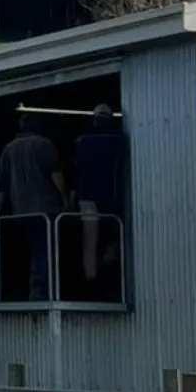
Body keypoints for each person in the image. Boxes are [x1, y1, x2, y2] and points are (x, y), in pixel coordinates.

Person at [0, 113, 66, 301]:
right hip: (46, 208)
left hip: (20, 210)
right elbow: (56, 176)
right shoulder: (44, 145)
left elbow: (1, 185)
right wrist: (65, 200)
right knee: (45, 251)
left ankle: (26, 290)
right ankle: (42, 293)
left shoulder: (8, 149)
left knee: (29, 251)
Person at [71, 104, 129, 300]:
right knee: (115, 237)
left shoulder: (82, 140)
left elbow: (75, 171)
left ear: (94, 119)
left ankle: (91, 283)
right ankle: (111, 274)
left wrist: (72, 198)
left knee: (90, 243)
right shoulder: (118, 140)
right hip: (112, 196)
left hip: (87, 197)